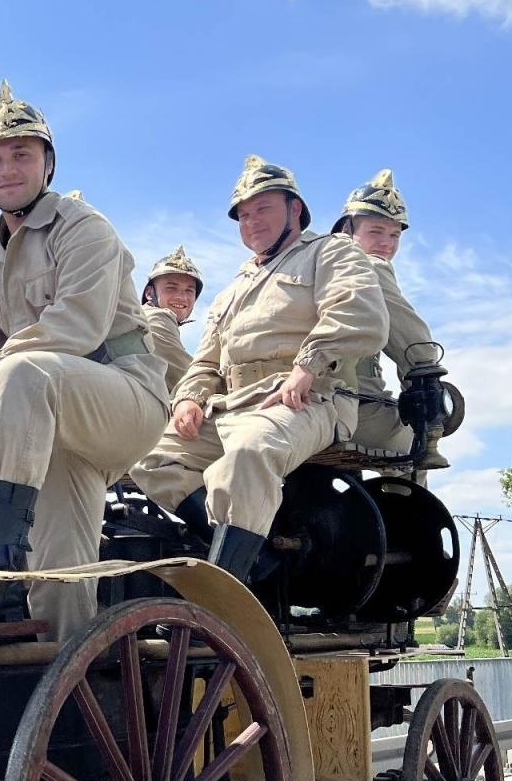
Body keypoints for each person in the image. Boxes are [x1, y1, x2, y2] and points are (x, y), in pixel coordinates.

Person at [0, 83, 169, 640]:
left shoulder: (84, 227)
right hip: (47, 424)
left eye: (21, 154)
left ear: (47, 164)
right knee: (60, 576)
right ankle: (71, 698)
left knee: (19, 371)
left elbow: (76, 326)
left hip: (124, 400)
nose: (6, 169)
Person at [135, 155, 388, 581]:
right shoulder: (232, 290)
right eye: (244, 215)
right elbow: (206, 361)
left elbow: (361, 313)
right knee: (150, 455)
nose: (252, 221)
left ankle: (224, 596)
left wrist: (307, 365)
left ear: (295, 210)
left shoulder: (330, 252)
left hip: (309, 397)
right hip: (234, 404)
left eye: (263, 209)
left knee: (250, 452)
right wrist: (189, 399)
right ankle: (254, 559)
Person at [333, 170, 449, 471]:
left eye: (394, 234)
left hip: (290, 403)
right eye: (376, 231)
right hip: (351, 406)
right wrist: (425, 388)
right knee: (414, 444)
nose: (386, 243)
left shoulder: (313, 266)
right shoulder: (368, 266)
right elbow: (416, 346)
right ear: (347, 231)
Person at [141, 246, 201, 395]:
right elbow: (189, 378)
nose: (181, 297)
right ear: (149, 293)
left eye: (189, 290)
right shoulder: (157, 317)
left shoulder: (142, 315)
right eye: (171, 288)